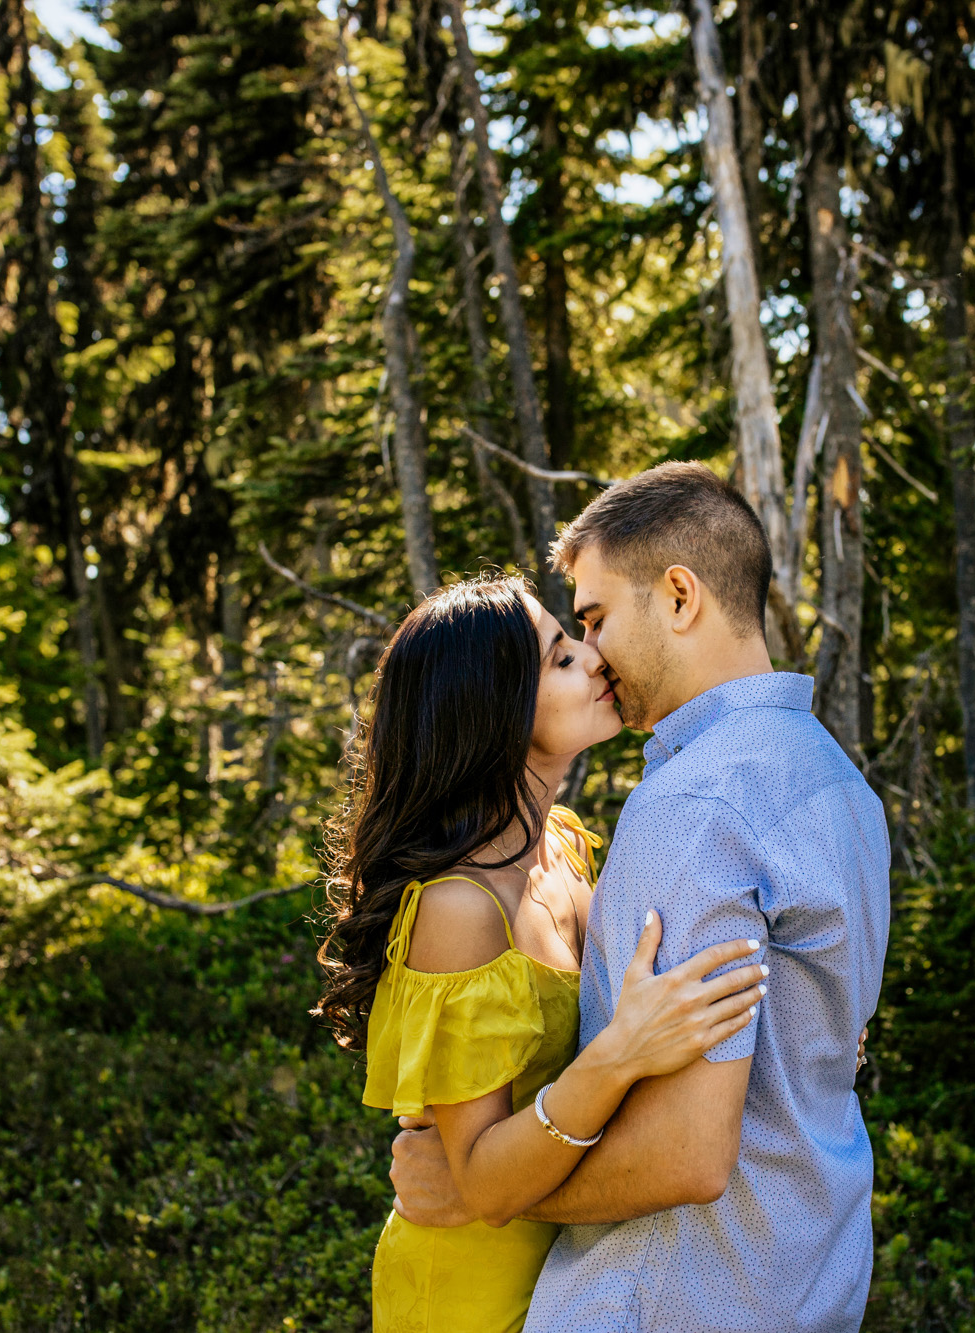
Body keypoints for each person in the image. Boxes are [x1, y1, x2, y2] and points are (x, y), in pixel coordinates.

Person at [388, 462, 892, 1333]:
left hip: (666, 1297)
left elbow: (688, 1156)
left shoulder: (694, 807)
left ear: (680, 597)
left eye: (594, 618)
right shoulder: (839, 783)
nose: (594, 655)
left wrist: (485, 1195)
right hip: (808, 1278)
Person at [316, 574, 770, 1333]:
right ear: (490, 708)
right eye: (560, 658)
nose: (596, 659)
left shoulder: (560, 844)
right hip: (471, 1292)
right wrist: (618, 1056)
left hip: (580, 1272)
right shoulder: (458, 909)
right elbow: (487, 1177)